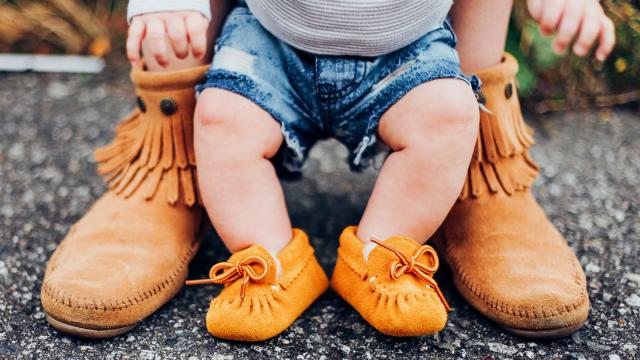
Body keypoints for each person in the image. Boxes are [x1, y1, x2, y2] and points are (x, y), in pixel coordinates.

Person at [40, 0, 615, 340]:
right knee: (220, 120)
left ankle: (383, 254)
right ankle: (265, 260)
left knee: (448, 114)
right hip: (270, 38)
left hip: (408, 47)